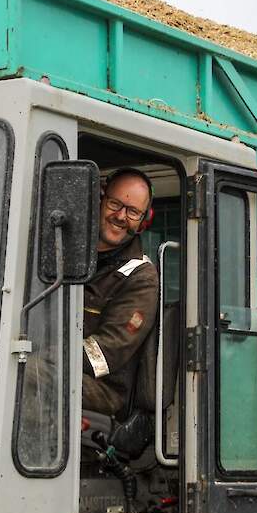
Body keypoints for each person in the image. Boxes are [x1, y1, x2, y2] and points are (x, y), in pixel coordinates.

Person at [82, 168, 159, 417]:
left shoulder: (141, 277)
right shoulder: (68, 253)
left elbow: (103, 354)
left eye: (133, 212)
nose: (120, 216)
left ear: (144, 221)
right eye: (115, 204)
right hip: (56, 366)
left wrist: (45, 353)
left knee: (25, 372)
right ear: (100, 200)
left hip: (104, 391)